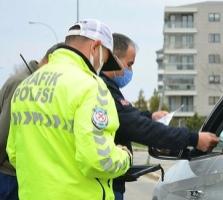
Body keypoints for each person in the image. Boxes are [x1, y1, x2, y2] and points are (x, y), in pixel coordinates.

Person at [6, 19, 132, 200]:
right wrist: (124, 157)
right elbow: (97, 160)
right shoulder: (91, 87)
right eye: (104, 59)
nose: (102, 67)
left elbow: (14, 153)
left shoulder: (27, 85)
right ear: (95, 47)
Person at [101, 33, 219, 199]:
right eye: (129, 64)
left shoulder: (106, 89)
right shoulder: (103, 91)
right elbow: (140, 128)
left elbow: (127, 118)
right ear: (114, 59)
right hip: (105, 187)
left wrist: (150, 117)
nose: (130, 71)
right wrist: (194, 139)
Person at [0, 42, 63, 200]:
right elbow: (4, 133)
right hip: (10, 175)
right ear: (49, 60)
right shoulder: (23, 83)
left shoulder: (35, 82)